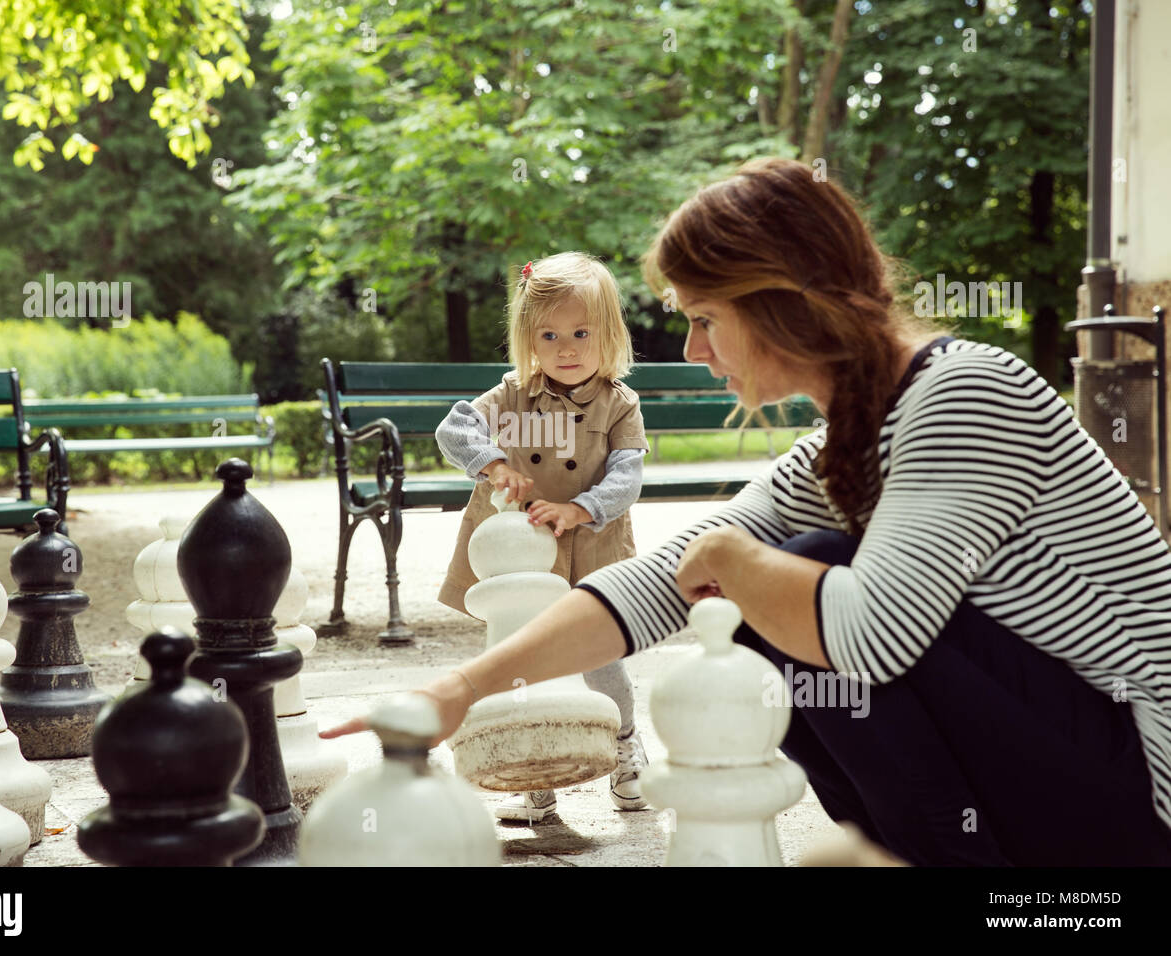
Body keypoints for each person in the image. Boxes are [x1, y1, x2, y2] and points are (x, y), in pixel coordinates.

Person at [326, 157, 1171, 865]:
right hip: (1080, 773)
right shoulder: (858, 429)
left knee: (804, 574)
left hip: (1146, 802)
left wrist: (735, 562)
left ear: (780, 304)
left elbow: (871, 633)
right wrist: (458, 690)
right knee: (781, 579)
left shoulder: (965, 395)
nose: (693, 352)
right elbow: (661, 578)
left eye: (704, 320)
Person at [433, 251, 652, 823]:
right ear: (528, 338)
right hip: (521, 560)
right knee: (523, 661)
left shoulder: (621, 403)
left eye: (582, 332)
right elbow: (453, 428)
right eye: (549, 334)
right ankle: (537, 768)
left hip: (591, 547)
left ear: (610, 334)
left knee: (600, 656)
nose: (567, 348)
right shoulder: (509, 396)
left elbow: (627, 476)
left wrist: (581, 508)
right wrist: (493, 463)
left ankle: (625, 745)